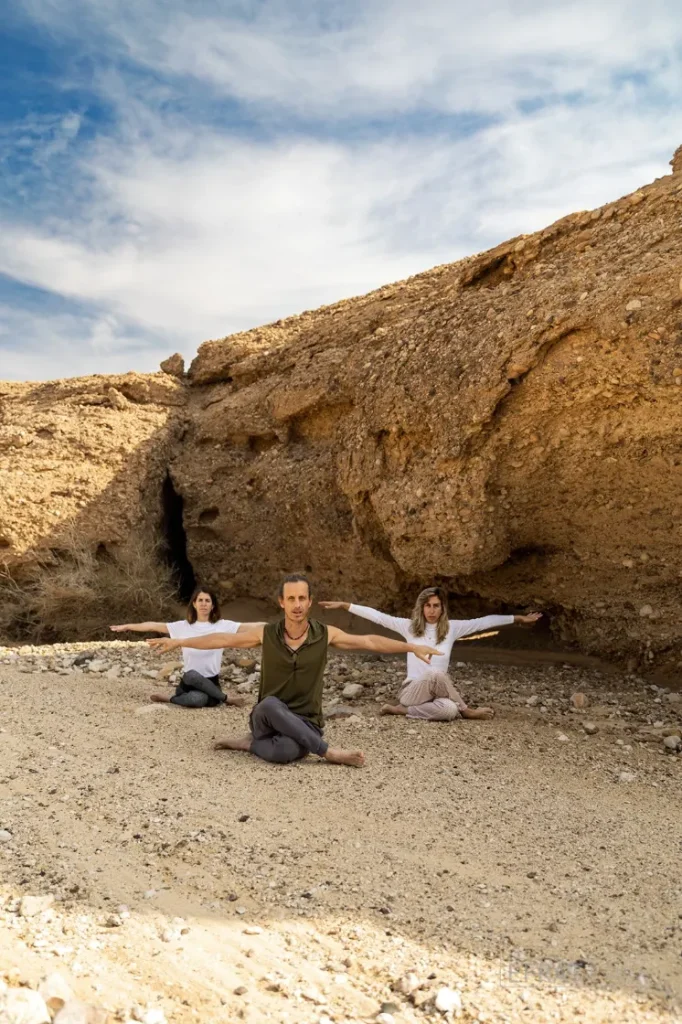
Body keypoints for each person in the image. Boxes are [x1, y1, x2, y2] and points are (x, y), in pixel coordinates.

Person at [147, 573, 441, 767]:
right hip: (266, 717)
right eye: (291, 599)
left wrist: (411, 647)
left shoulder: (325, 634)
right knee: (270, 704)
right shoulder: (267, 633)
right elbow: (222, 639)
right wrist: (180, 641)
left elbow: (368, 641)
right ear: (282, 602)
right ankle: (328, 752)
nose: (297, 605)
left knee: (285, 753)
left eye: (302, 598)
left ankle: (250, 745)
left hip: (306, 721)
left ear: (309, 602)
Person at [319, 588, 541, 722]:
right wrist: (345, 605)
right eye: (427, 606)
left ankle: (402, 711)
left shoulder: (452, 628)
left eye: (436, 606)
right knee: (436, 673)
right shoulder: (409, 627)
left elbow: (484, 622)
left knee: (449, 711)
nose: (432, 610)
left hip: (436, 696)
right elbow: (378, 616)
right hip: (412, 690)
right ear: (421, 608)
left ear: (442, 609)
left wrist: (518, 619)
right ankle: (467, 711)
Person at [111, 586, 264, 709]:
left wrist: (271, 627)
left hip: (211, 683)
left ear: (212, 605)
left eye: (207, 600)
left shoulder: (223, 625)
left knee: (200, 699)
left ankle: (171, 699)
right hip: (189, 682)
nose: (203, 603)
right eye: (200, 600)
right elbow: (153, 625)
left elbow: (250, 627)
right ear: (194, 604)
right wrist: (128, 626)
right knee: (192, 677)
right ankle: (226, 699)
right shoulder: (182, 626)